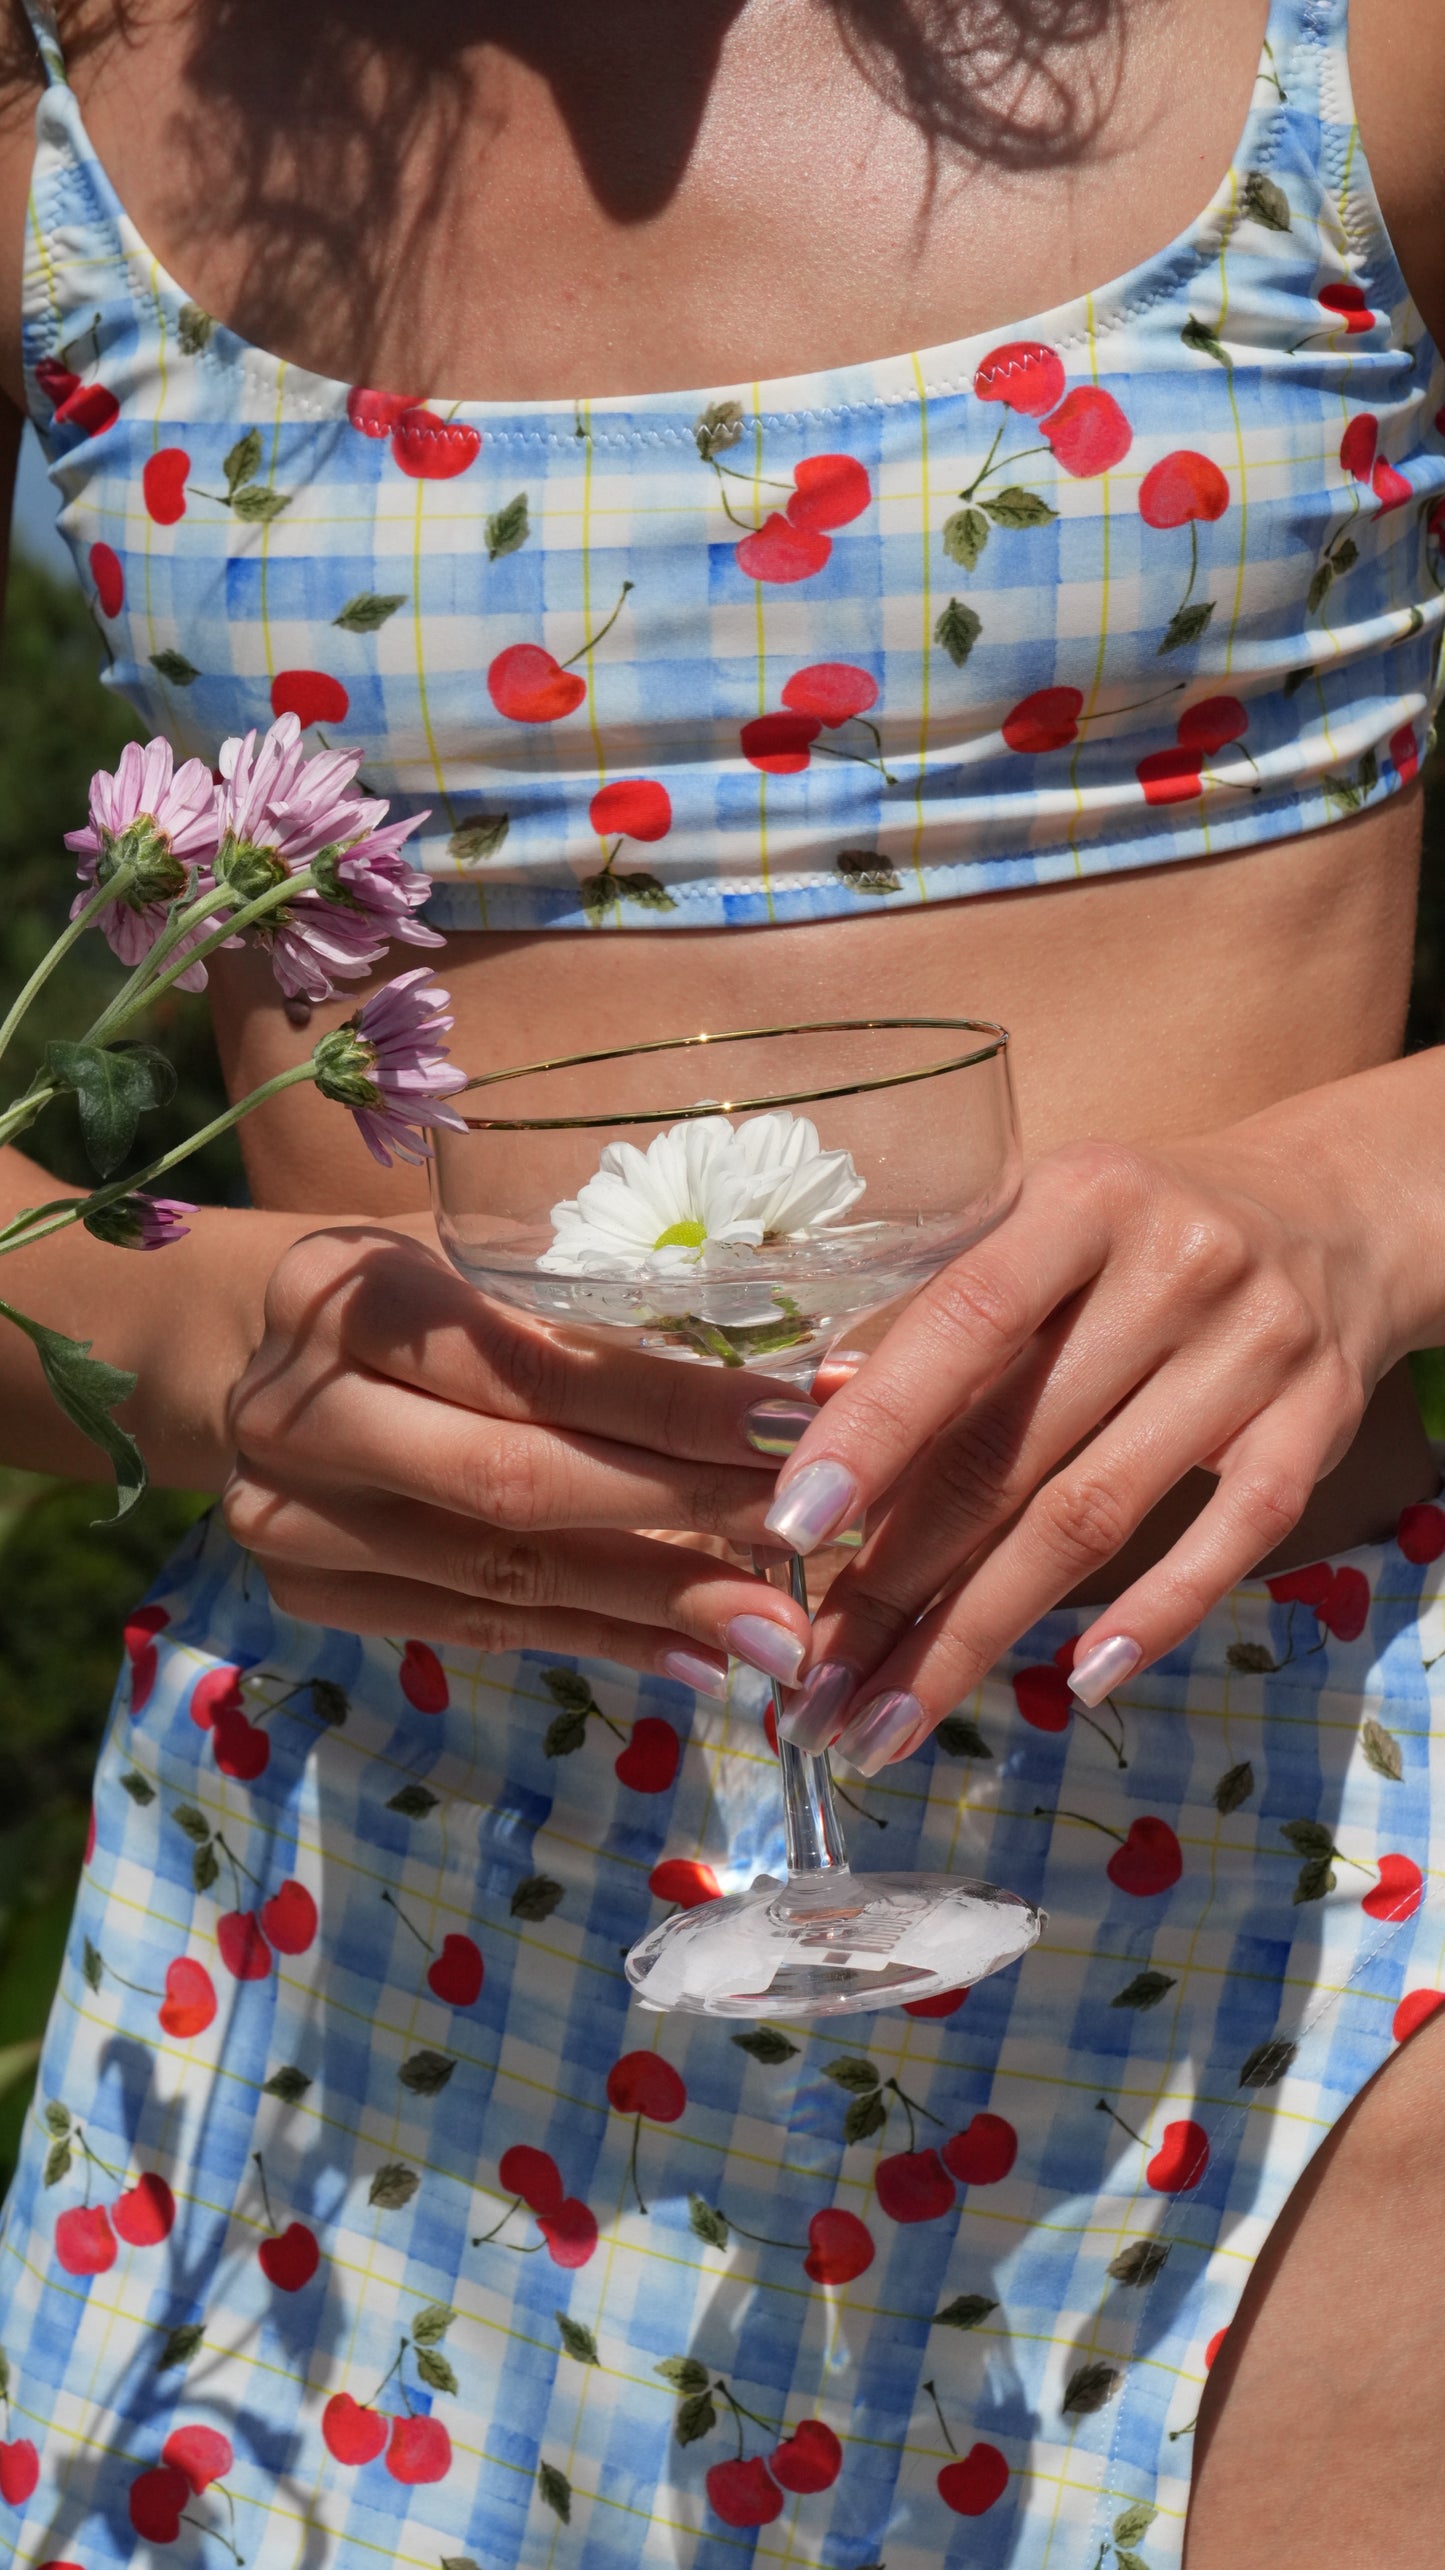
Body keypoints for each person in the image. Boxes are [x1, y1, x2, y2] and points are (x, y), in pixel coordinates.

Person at [0, 0, 1442, 2559]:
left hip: (1289, 1878)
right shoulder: (63, 114)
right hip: (394, 1937)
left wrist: (1374, 1196)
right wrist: (175, 1336)